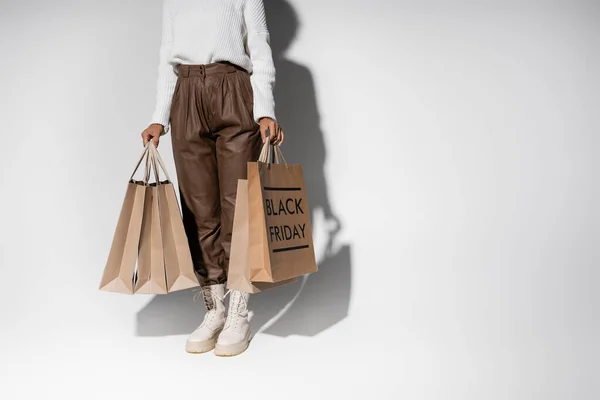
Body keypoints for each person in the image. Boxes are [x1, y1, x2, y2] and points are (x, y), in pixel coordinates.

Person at [141, 0, 284, 357]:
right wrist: (160, 115)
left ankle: (239, 309)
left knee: (238, 206)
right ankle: (215, 307)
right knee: (198, 207)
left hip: (232, 88)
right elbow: (166, 54)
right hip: (186, 93)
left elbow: (260, 43)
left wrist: (265, 109)